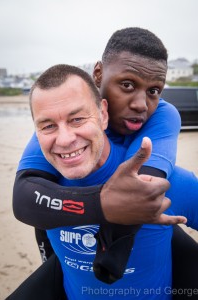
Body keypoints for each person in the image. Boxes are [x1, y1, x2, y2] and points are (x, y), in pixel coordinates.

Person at [12, 28, 198, 291]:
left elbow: (141, 185)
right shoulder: (58, 160)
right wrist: (102, 204)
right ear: (98, 74)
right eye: (127, 85)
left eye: (154, 90)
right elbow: (23, 196)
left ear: (103, 114)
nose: (141, 105)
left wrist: (113, 252)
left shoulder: (164, 121)